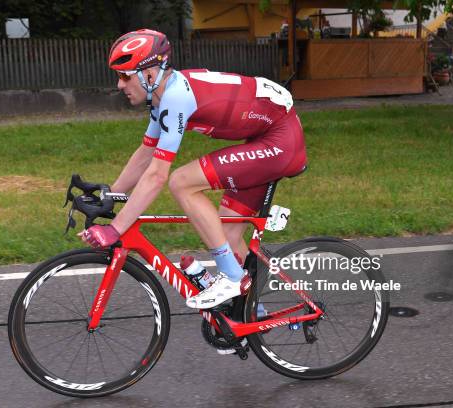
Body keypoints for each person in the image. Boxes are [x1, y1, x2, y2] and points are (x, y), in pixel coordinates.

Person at [79, 29, 307, 310]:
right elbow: (145, 155)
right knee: (226, 233)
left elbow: (157, 175)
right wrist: (110, 195)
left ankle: (234, 278)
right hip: (264, 135)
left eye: (125, 75)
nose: (119, 84)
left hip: (280, 139)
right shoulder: (161, 98)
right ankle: (251, 317)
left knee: (181, 181)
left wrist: (116, 228)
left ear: (149, 74)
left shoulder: (175, 97)